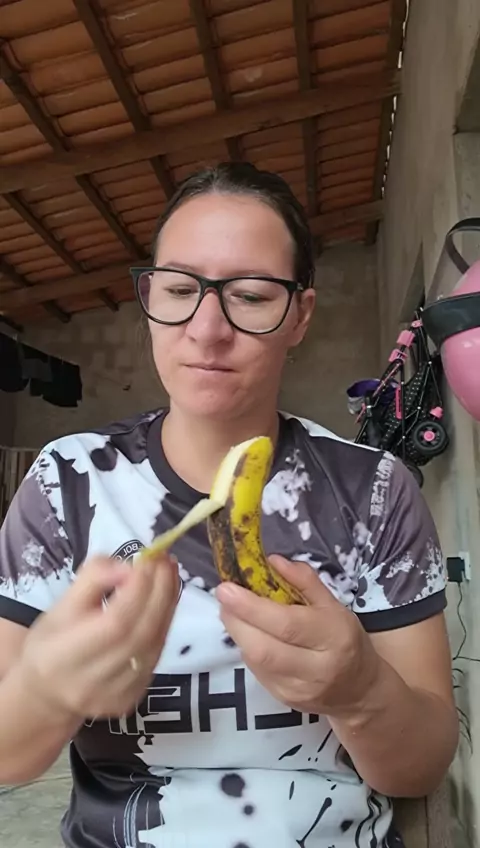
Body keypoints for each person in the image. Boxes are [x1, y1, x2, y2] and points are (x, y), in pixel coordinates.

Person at [0, 163, 458, 848]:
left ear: (300, 314)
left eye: (249, 295)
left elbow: (420, 769)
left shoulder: (375, 489)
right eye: (179, 289)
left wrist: (361, 691)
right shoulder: (69, 480)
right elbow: (7, 757)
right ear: (148, 298)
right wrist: (44, 690)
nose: (207, 329)